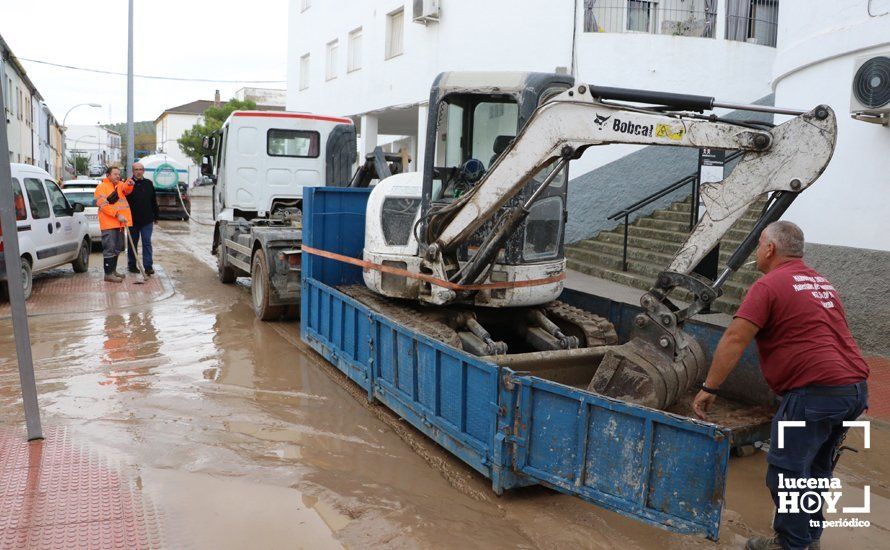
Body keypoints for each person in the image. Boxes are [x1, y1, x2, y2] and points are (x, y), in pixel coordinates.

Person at [693, 221, 869, 550]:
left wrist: (710, 388)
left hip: (812, 395)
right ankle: (807, 539)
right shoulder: (820, 282)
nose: (758, 251)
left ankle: (791, 545)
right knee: (816, 470)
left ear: (771, 249)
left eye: (760, 244)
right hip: (852, 392)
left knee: (786, 473)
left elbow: (735, 338)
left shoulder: (768, 285)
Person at [94, 166, 134, 282]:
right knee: (109, 248)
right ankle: (108, 274)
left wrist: (129, 184)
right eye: (115, 174)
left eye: (119, 174)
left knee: (117, 248)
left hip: (120, 224)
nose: (118, 176)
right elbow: (103, 206)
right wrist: (117, 215)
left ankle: (113, 271)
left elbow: (126, 190)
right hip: (109, 223)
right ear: (108, 175)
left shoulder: (119, 185)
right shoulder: (102, 187)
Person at [126, 162, 159, 275]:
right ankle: (132, 265)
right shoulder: (127, 184)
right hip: (132, 220)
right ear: (133, 171)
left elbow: (153, 201)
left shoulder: (148, 183)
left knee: (146, 242)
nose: (138, 171)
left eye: (140, 169)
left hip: (147, 220)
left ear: (143, 171)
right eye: (136, 169)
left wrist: (156, 216)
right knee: (132, 243)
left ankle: (148, 266)